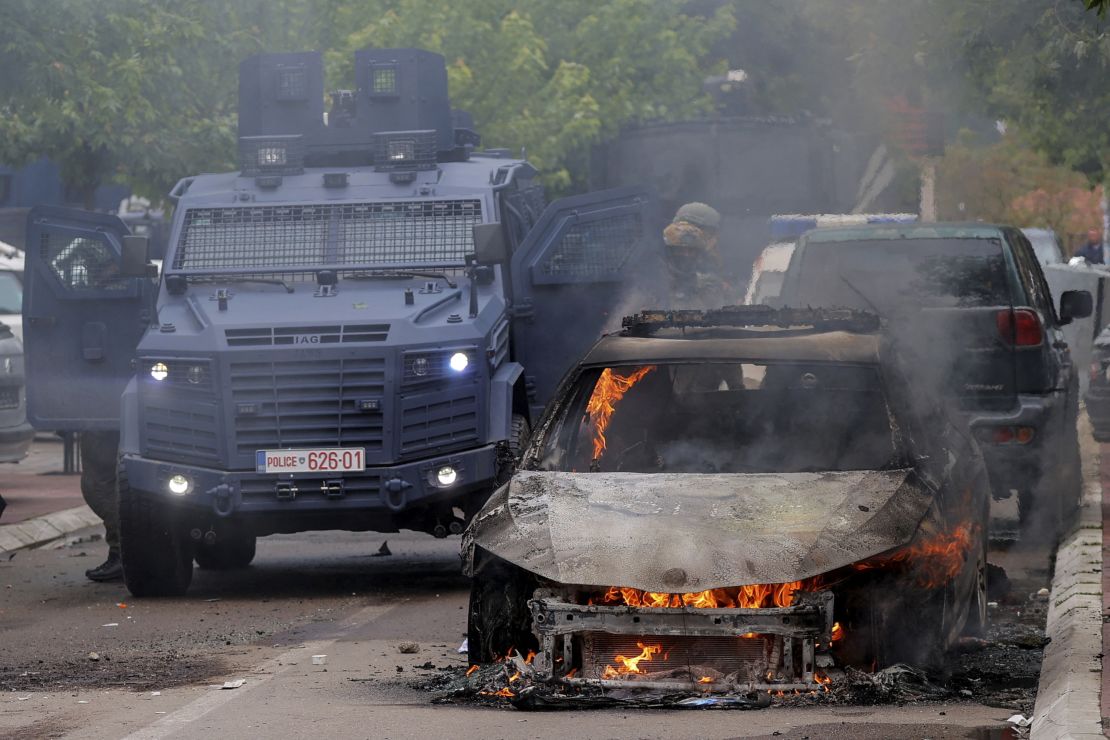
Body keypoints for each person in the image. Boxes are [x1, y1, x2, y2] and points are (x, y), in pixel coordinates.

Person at [662, 202, 732, 308]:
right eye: (709, 233)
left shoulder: (709, 263)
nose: (714, 240)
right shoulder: (658, 277)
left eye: (691, 251)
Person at [80, 431, 122, 581]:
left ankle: (121, 554)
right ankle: (125, 553)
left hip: (101, 425)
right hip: (106, 423)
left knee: (98, 489)